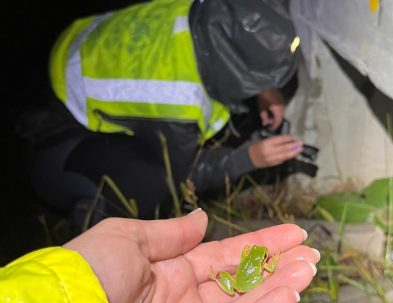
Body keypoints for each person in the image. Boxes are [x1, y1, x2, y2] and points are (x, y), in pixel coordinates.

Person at [17, 0, 304, 232]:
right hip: (54, 142)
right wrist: (247, 158)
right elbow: (181, 177)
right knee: (149, 186)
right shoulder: (177, 97)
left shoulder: (202, 14)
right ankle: (91, 255)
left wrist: (266, 90)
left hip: (66, 63)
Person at [0, 209, 320, 303]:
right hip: (248, 279)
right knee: (254, 280)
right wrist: (269, 264)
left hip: (238, 280)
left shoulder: (249, 261)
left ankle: (220, 280)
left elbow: (249, 257)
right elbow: (256, 259)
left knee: (238, 279)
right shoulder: (260, 262)